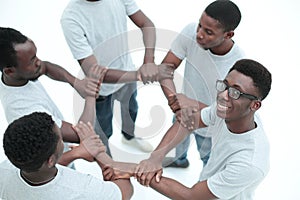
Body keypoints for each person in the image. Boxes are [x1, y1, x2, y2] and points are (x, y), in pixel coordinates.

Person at [134, 59, 272, 199]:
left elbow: (192, 197)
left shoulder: (250, 163)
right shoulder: (227, 111)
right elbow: (189, 122)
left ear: (255, 105)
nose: (223, 96)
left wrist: (136, 171)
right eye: (224, 86)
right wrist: (155, 158)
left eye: (235, 92)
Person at [60, 0, 161, 153]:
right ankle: (109, 166)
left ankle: (129, 138)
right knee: (103, 130)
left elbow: (146, 24)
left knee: (132, 109)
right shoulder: (71, 18)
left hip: (127, 73)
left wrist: (149, 61)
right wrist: (139, 75)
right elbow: (95, 72)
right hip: (101, 89)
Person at [0, 27, 107, 166]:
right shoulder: (25, 109)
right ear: (9, 71)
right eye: (32, 61)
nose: (39, 62)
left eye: (36, 55)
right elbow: (79, 134)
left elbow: (46, 67)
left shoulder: (17, 74)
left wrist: (77, 83)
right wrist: (90, 95)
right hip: (58, 165)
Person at [159, 0, 245, 168]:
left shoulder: (237, 66)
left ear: (228, 35)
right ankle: (179, 160)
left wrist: (191, 105)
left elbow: (232, 113)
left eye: (208, 32)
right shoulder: (191, 32)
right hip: (182, 112)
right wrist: (176, 102)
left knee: (209, 164)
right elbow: (165, 69)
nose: (199, 34)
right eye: (199, 26)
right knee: (177, 149)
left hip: (210, 128)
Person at [0, 112, 133, 200]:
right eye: (61, 139)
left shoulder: (4, 171)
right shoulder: (83, 189)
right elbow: (123, 193)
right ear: (51, 160)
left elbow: (41, 171)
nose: (63, 141)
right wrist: (103, 158)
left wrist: (75, 153)